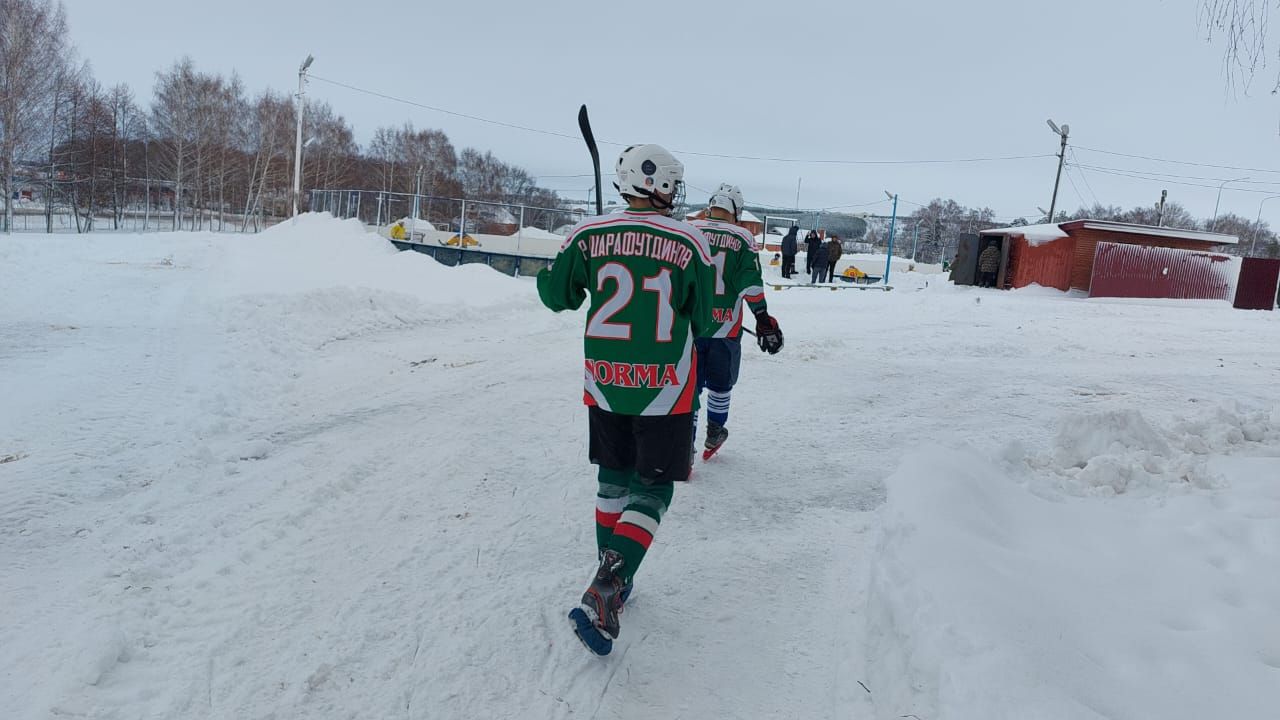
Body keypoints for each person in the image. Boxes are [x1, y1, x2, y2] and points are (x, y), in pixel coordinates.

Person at [537, 143, 714, 656]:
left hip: (606, 382)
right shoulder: (690, 240)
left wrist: (557, 269)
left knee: (612, 480)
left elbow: (557, 296)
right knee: (654, 491)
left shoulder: (589, 234)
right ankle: (606, 588)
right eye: (670, 184)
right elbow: (701, 317)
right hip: (666, 387)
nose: (674, 193)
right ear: (654, 183)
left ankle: (613, 573)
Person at [688, 184, 785, 459]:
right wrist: (763, 318)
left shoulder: (689, 231)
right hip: (725, 328)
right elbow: (750, 284)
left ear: (710, 207)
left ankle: (685, 445)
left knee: (689, 389)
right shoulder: (742, 237)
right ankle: (715, 432)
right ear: (735, 211)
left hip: (690, 328)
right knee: (720, 384)